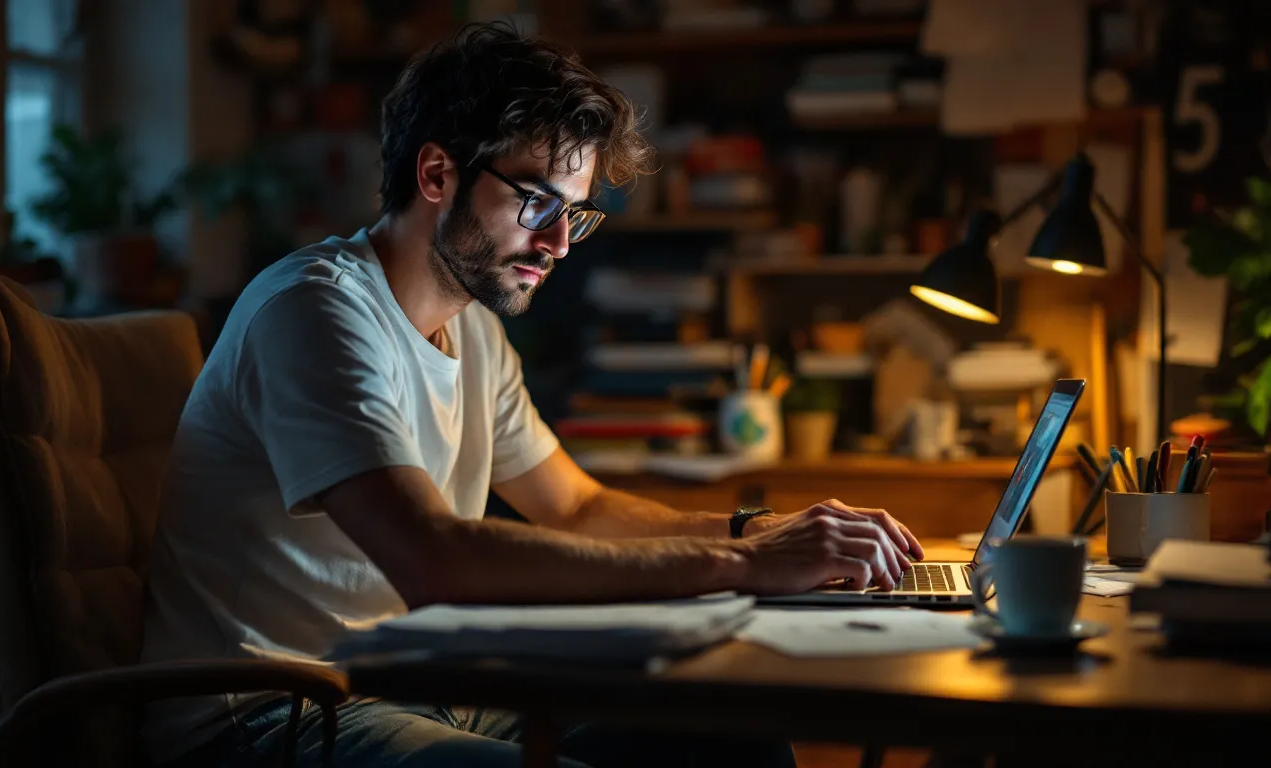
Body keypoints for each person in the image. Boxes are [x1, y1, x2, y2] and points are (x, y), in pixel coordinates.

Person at [140, 21, 925, 768]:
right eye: (536, 203)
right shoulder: (314, 312)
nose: (556, 244)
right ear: (437, 174)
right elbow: (433, 558)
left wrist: (757, 529)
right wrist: (739, 564)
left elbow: (577, 507)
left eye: (574, 214)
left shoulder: (473, 326)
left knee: (724, 737)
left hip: (416, 683)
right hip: (271, 712)